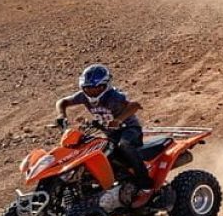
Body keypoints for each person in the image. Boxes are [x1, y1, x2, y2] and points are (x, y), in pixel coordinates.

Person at [55, 64, 154, 208]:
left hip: (129, 130)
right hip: (110, 133)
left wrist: (119, 120)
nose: (92, 91)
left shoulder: (114, 96)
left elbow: (135, 106)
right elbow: (62, 102)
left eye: (96, 88)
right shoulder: (83, 97)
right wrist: (61, 114)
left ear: (105, 86)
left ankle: (146, 186)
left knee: (124, 146)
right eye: (88, 88)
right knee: (94, 153)